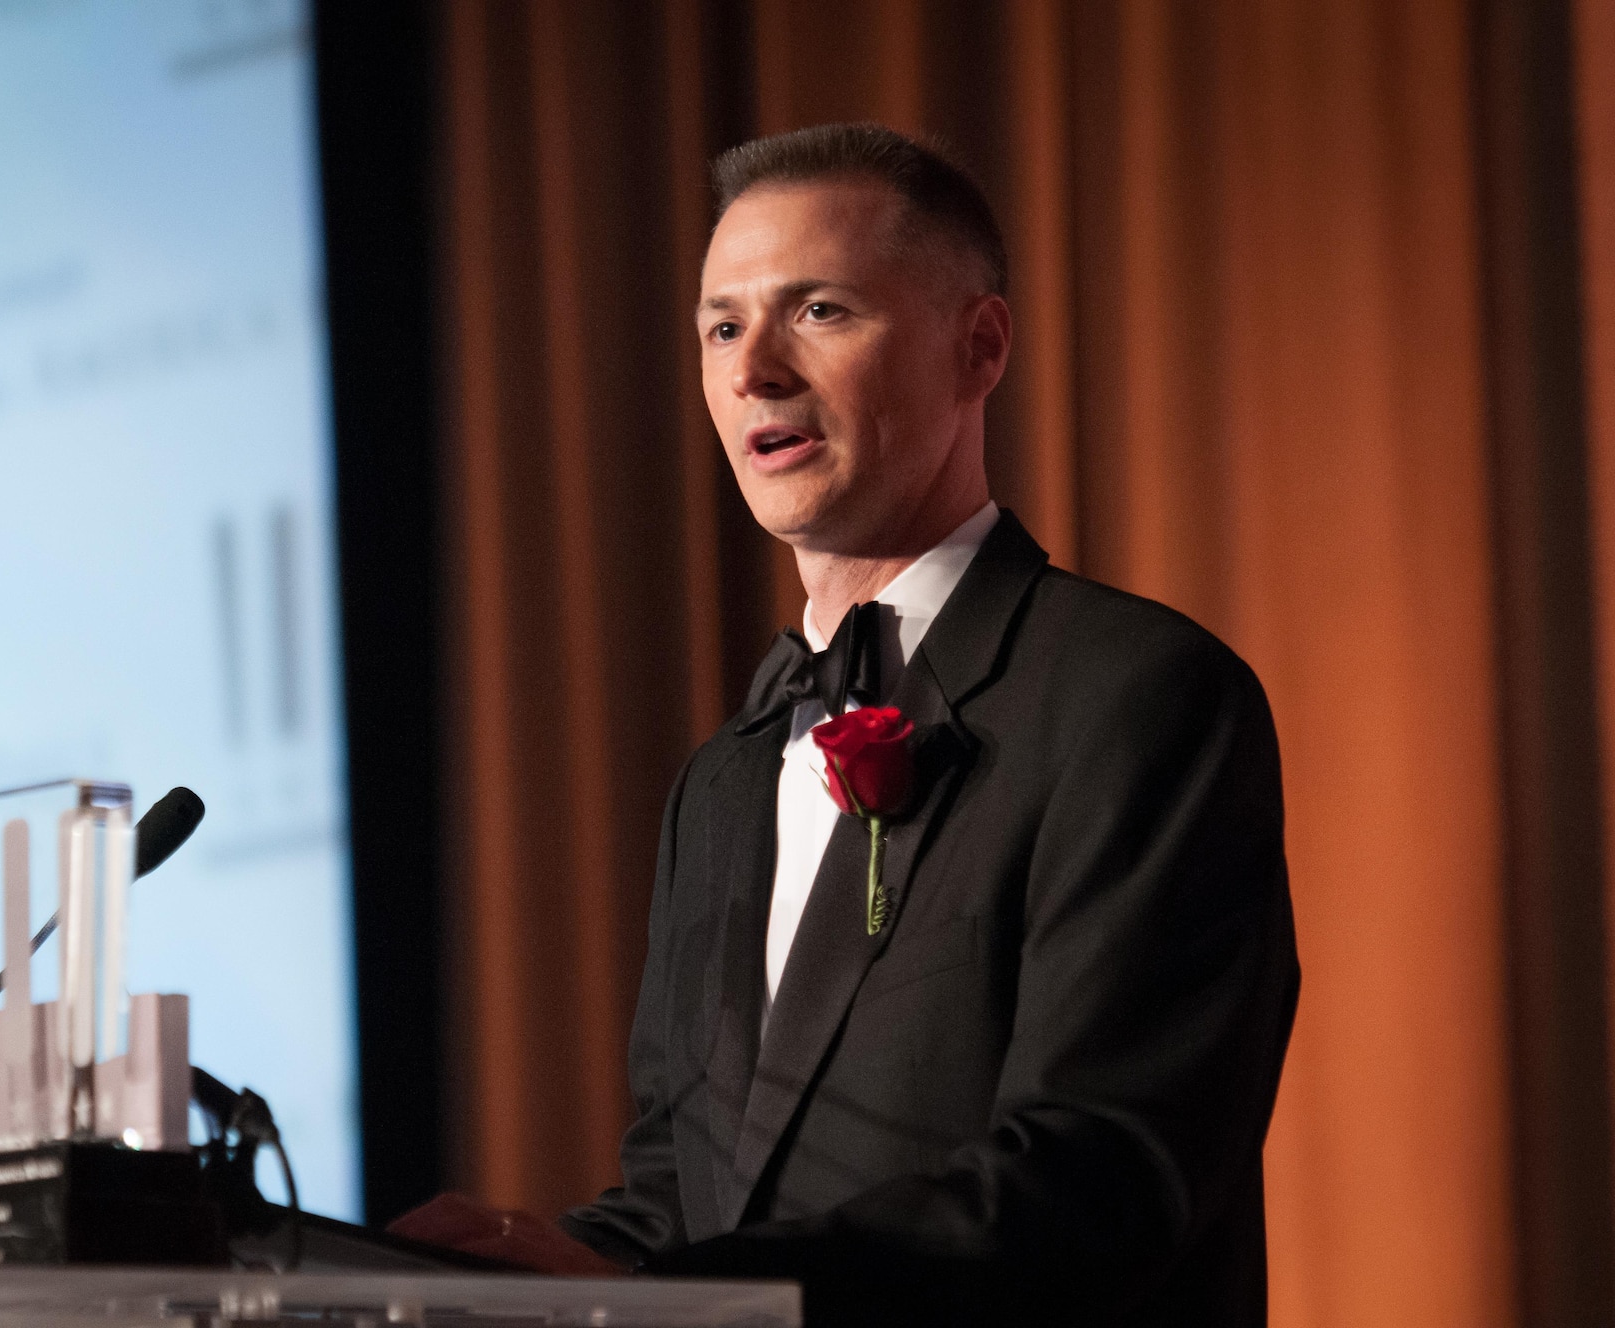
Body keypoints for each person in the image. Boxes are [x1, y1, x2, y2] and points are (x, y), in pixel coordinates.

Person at [403, 123, 1299, 1326]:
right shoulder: (721, 778)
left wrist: (683, 1297)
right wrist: (478, 1283)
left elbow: (1099, 1178)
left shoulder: (1136, 695)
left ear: (976, 348)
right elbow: (685, 1200)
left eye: (817, 311)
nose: (752, 371)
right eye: (721, 327)